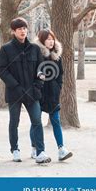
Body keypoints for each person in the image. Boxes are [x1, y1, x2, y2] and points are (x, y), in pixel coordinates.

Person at [0, 17, 51, 164]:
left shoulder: (34, 49)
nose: (23, 31)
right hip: (15, 93)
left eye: (25, 28)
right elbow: (1, 69)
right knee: (14, 122)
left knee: (37, 121)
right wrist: (15, 85)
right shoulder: (6, 49)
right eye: (19, 29)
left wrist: (38, 85)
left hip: (32, 92)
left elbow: (41, 69)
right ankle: (15, 149)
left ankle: (40, 152)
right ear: (13, 31)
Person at [33, 29, 73, 162]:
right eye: (48, 39)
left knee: (56, 121)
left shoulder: (57, 56)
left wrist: (58, 88)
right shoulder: (36, 54)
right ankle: (35, 148)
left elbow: (60, 74)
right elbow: (32, 73)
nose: (51, 41)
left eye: (52, 39)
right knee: (36, 122)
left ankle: (61, 149)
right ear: (42, 40)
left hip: (53, 95)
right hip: (38, 94)